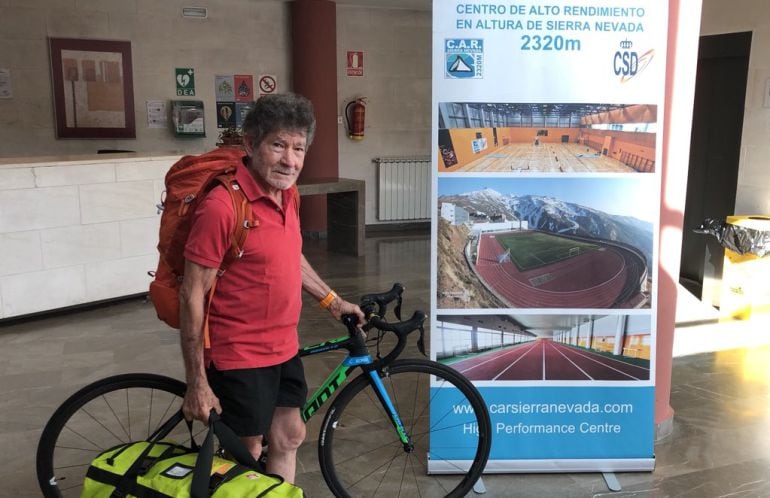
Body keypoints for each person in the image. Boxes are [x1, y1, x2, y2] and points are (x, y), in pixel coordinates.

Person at [178, 93, 364, 483]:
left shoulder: (288, 195)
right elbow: (191, 294)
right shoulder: (223, 206)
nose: (290, 160)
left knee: (290, 435)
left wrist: (332, 301)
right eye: (278, 145)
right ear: (250, 143)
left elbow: (289, 255)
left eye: (298, 148)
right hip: (239, 354)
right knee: (246, 453)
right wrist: (196, 381)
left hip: (283, 345)